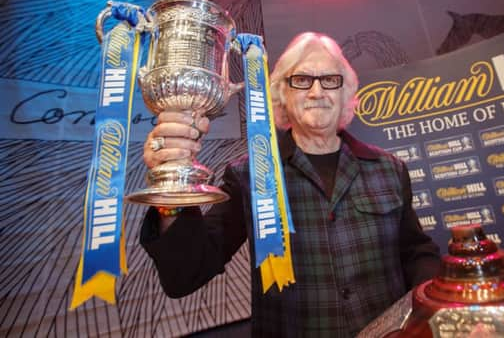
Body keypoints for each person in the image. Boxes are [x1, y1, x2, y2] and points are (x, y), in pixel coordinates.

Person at [140, 32, 441, 337]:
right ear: (282, 93)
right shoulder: (248, 175)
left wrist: (430, 310)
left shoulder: (389, 168)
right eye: (302, 80)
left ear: (346, 93)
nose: (317, 91)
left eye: (330, 80)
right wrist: (172, 186)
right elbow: (186, 274)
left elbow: (415, 250)